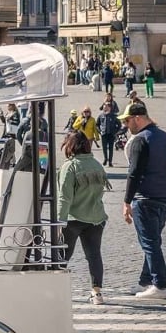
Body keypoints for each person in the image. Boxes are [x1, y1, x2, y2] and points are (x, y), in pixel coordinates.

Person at [120, 100, 166, 300]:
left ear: (137, 118)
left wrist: (126, 201)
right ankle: (146, 281)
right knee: (153, 240)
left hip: (145, 198)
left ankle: (160, 286)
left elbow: (134, 174)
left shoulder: (140, 140)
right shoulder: (164, 137)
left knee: (150, 243)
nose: (126, 125)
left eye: (127, 121)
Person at [58, 130, 109, 305]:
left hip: (73, 218)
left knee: (62, 255)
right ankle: (97, 293)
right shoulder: (96, 165)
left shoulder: (70, 166)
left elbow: (64, 198)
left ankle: (55, 291)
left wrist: (59, 221)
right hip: (96, 217)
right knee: (94, 255)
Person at [97, 99, 122, 167]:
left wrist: (115, 132)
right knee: (104, 148)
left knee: (111, 148)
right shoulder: (101, 115)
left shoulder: (114, 116)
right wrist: (100, 131)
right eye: (104, 106)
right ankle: (105, 159)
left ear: (110, 107)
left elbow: (119, 125)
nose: (105, 107)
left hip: (111, 134)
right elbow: (97, 124)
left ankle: (110, 161)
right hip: (104, 134)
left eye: (107, 106)